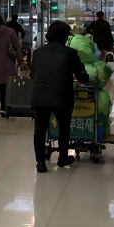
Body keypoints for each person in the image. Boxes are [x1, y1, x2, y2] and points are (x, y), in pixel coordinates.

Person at [30, 21, 90, 173]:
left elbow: (33, 74)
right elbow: (82, 77)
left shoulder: (38, 53)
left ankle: (40, 162)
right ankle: (63, 158)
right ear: (65, 37)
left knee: (39, 130)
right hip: (61, 96)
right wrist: (85, 78)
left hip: (40, 95)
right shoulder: (70, 53)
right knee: (64, 128)